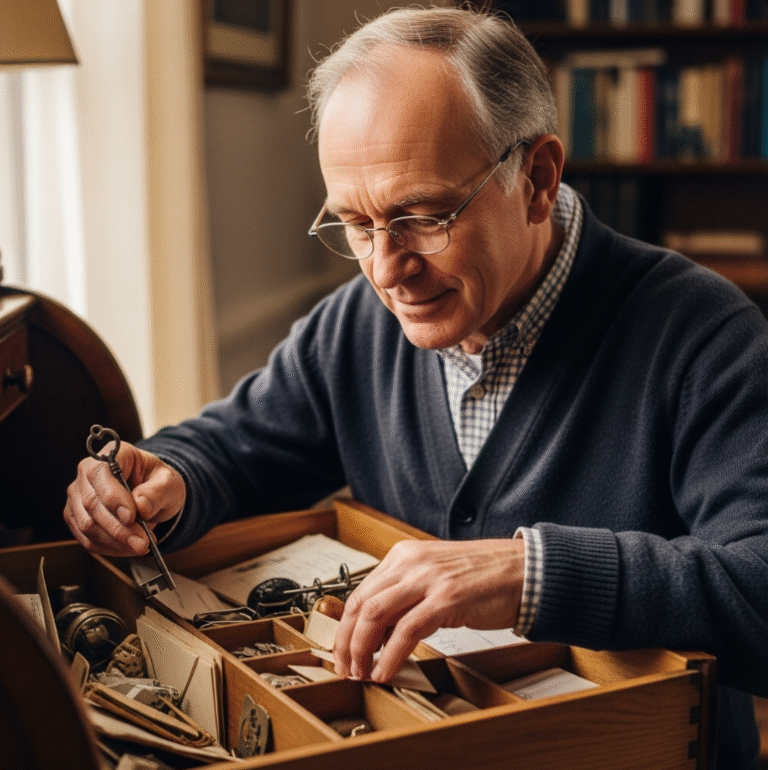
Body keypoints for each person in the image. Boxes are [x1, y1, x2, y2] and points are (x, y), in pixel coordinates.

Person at [64, 6, 768, 767]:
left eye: (424, 216)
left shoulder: (705, 336)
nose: (386, 268)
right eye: (355, 223)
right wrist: (168, 476)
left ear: (537, 179)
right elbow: (237, 446)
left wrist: (528, 573)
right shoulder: (354, 326)